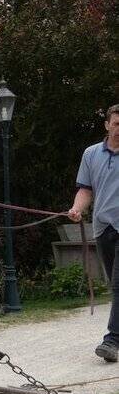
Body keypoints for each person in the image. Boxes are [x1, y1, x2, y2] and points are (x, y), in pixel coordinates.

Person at [68, 104, 119, 363]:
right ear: (107, 125)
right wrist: (77, 209)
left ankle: (112, 341)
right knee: (114, 285)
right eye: (117, 124)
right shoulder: (91, 154)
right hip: (102, 227)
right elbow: (85, 189)